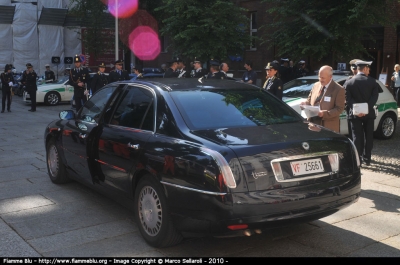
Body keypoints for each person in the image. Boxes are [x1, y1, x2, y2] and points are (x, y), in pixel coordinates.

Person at [344, 60, 379, 166]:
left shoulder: (349, 82)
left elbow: (347, 98)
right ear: (365, 69)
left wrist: (358, 110)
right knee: (369, 136)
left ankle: (357, 158)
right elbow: (374, 98)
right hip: (369, 114)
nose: (369, 71)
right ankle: (367, 158)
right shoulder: (373, 81)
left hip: (354, 114)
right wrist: (366, 109)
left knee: (356, 137)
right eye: (368, 69)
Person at [300, 65, 345, 133]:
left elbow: (339, 109)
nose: (320, 79)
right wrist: (305, 104)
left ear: (330, 77)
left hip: (328, 127)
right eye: (319, 77)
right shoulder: (316, 85)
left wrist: (324, 113)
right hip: (313, 124)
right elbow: (309, 100)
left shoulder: (339, 89)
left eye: (323, 78)